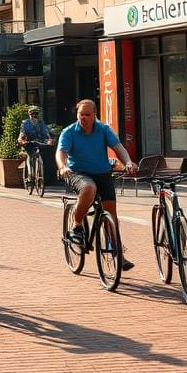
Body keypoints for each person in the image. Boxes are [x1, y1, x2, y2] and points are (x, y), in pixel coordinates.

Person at [56, 99, 137, 271]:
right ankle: (77, 225)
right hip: (78, 173)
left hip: (102, 173)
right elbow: (60, 152)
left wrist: (128, 162)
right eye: (80, 114)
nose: (83, 118)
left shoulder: (103, 129)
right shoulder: (69, 132)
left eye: (87, 114)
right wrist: (63, 166)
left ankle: (118, 254)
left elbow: (118, 147)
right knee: (89, 188)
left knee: (111, 215)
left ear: (94, 115)